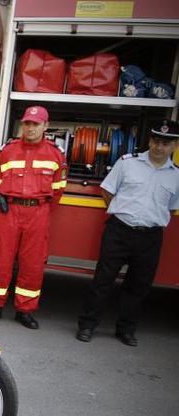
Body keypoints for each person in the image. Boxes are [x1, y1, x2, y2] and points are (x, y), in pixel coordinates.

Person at [76, 120, 179, 347]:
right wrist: (123, 213)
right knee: (103, 280)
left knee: (139, 286)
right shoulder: (127, 163)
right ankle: (87, 326)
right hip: (119, 230)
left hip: (151, 236)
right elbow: (107, 191)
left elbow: (171, 207)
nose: (159, 147)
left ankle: (126, 330)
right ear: (150, 141)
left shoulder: (176, 176)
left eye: (166, 143)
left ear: (174, 146)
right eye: (156, 141)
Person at [0, 106, 67, 330]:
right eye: (27, 123)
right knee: (1, 259)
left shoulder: (55, 154)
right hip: (9, 211)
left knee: (33, 263)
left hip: (38, 212)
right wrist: (1, 198)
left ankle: (25, 310)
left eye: (35, 124)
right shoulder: (8, 150)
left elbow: (58, 189)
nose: (30, 128)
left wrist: (42, 210)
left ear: (45, 126)